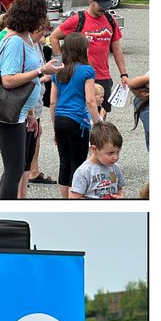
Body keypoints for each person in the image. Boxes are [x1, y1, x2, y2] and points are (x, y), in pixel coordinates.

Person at [0, 0, 57, 199]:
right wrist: (40, 71)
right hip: (9, 114)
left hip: (21, 112)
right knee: (14, 169)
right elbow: (8, 80)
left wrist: (30, 114)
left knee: (17, 167)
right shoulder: (16, 41)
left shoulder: (25, 37)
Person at [47, 0, 128, 107]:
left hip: (103, 76)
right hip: (80, 75)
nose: (104, 9)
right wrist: (60, 63)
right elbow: (54, 37)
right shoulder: (78, 20)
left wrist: (123, 74)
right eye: (101, 5)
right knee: (82, 111)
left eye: (107, 6)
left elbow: (116, 48)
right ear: (91, 2)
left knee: (102, 114)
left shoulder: (111, 21)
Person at [50, 32, 100, 199]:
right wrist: (98, 123)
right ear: (82, 50)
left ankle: (65, 198)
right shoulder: (87, 71)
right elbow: (90, 100)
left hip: (59, 119)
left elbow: (52, 102)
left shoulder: (58, 71)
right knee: (77, 163)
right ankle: (75, 199)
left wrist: (54, 127)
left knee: (64, 162)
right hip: (77, 120)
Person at [69, 120, 125, 199]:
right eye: (110, 153)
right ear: (94, 149)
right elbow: (75, 197)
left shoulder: (115, 168)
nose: (116, 157)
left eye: (118, 152)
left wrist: (121, 196)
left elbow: (120, 189)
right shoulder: (83, 172)